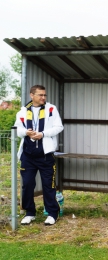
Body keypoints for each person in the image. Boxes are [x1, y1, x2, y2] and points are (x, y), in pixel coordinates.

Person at [14, 85, 64, 225]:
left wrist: (42, 134)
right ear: (32, 95)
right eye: (40, 95)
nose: (43, 98)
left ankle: (52, 213)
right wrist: (27, 133)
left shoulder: (51, 109)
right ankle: (30, 213)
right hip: (28, 156)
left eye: (44, 95)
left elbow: (59, 127)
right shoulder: (23, 111)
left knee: (48, 185)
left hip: (45, 155)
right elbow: (17, 129)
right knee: (28, 184)